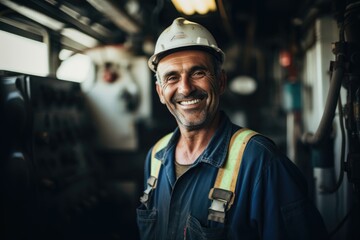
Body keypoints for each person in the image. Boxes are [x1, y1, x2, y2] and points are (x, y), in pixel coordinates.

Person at [136, 17, 328, 240]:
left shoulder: (260, 162)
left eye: (198, 72)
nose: (186, 88)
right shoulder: (155, 158)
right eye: (172, 78)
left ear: (220, 82)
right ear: (160, 92)